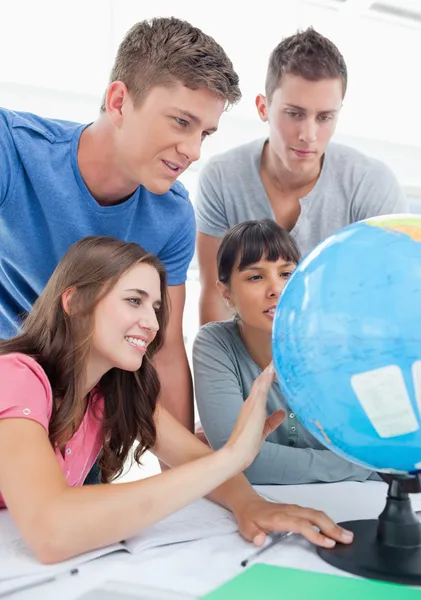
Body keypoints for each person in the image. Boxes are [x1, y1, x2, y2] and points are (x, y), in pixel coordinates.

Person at [0, 235, 354, 564]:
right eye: (134, 301)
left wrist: (249, 504)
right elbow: (50, 530)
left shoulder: (112, 391)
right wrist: (231, 457)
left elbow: (191, 458)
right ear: (75, 302)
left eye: (155, 307)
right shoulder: (16, 376)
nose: (153, 324)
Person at [0, 17, 241, 467]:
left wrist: (184, 472)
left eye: (204, 133)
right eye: (181, 122)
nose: (194, 151)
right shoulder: (13, 150)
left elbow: (165, 349)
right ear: (118, 102)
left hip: (84, 422)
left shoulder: (172, 214)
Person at [195, 27, 409, 326]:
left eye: (324, 117)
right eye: (294, 114)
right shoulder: (221, 178)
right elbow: (216, 297)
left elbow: (392, 300)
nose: (309, 135)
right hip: (248, 357)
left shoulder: (371, 185)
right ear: (263, 107)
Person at [193, 220, 377, 485]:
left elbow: (376, 451)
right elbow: (234, 460)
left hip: (364, 497)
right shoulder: (215, 344)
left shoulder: (336, 342)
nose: (276, 289)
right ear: (227, 293)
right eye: (255, 277)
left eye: (286, 274)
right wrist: (355, 466)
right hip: (275, 504)